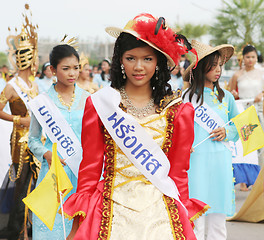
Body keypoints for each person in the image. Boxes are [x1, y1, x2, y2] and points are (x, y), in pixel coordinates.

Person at [63, 13, 208, 240]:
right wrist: (77, 223)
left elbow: (179, 174)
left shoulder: (178, 111)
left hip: (161, 212)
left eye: (147, 59)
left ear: (159, 61)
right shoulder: (101, 104)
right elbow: (90, 168)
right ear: (120, 60)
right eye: (131, 58)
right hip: (110, 208)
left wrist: (184, 216)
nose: (138, 67)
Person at [28, 43, 90, 239]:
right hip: (54, 173)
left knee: (81, 226)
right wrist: (45, 153)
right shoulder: (42, 102)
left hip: (82, 172)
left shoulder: (88, 99)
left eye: (76, 67)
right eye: (66, 68)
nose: (72, 73)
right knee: (53, 227)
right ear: (53, 70)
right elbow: (33, 139)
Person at [183, 40, 239, 240]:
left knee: (218, 220)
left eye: (220, 66)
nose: (218, 70)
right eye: (213, 65)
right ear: (201, 67)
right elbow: (179, 131)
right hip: (196, 162)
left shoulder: (227, 98)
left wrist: (227, 132)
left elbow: (238, 127)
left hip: (220, 161)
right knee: (195, 218)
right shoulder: (186, 98)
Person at [0, 5, 39, 239]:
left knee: (34, 181)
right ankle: (15, 227)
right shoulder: (11, 86)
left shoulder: (34, 84)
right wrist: (19, 119)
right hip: (19, 140)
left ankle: (28, 226)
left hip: (35, 137)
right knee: (21, 180)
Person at [229, 45, 264, 191]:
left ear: (257, 58)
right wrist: (234, 94)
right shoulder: (237, 75)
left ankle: (257, 176)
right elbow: (229, 92)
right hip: (243, 112)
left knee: (258, 147)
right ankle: (245, 179)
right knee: (246, 146)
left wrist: (261, 96)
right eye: (248, 57)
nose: (250, 60)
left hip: (258, 111)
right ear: (243, 58)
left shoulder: (262, 73)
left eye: (253, 57)